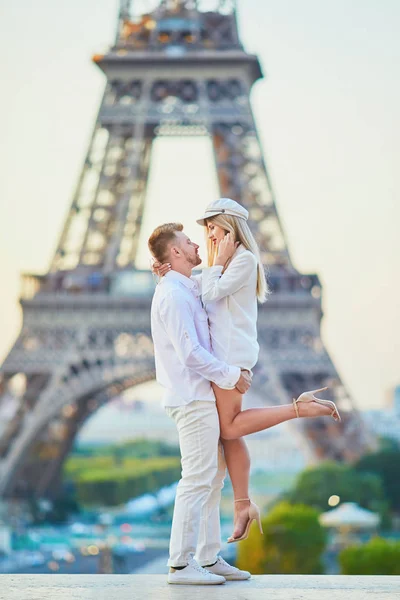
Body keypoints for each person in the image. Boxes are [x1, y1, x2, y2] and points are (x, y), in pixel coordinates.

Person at [153, 198, 341, 544]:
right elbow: (198, 292)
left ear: (230, 228)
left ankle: (299, 408)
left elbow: (208, 296)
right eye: (205, 229)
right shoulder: (222, 265)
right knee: (230, 435)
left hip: (227, 360)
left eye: (212, 227)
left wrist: (217, 262)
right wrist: (169, 269)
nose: (207, 235)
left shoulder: (243, 260)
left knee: (230, 427)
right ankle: (243, 505)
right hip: (222, 360)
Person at [148, 223, 253, 585]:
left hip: (200, 396)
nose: (197, 243)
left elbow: (206, 291)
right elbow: (190, 353)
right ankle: (180, 564)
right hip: (191, 398)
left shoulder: (181, 287)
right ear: (175, 252)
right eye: (188, 242)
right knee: (196, 480)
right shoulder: (173, 295)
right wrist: (230, 375)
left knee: (212, 479)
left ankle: (208, 557)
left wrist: (220, 262)